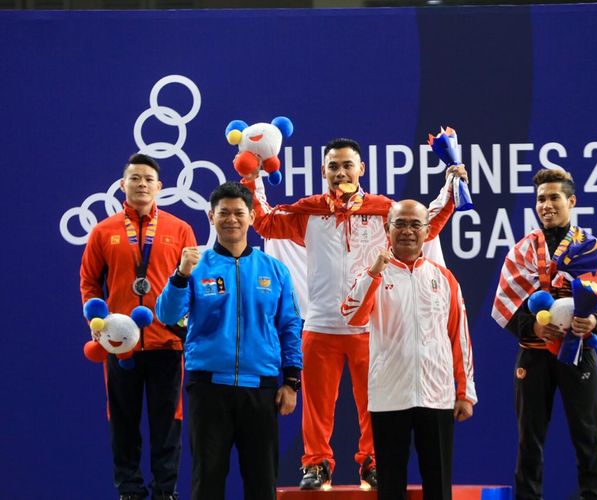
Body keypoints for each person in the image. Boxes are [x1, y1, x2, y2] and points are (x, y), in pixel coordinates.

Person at [243, 138, 466, 490]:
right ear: (323, 172)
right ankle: (316, 464)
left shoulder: (383, 211)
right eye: (333, 167)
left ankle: (372, 462)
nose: (340, 172)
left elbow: (426, 224)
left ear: (361, 169)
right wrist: (252, 177)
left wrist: (451, 186)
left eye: (347, 165)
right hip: (320, 322)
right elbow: (265, 222)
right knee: (316, 403)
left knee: (372, 402)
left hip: (369, 325)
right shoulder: (310, 213)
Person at [155, 182, 302, 500]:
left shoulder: (273, 270)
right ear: (211, 216)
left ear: (251, 217)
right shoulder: (197, 266)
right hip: (208, 388)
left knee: (262, 482)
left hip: (260, 388)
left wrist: (291, 381)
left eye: (239, 213)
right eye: (224, 213)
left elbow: (289, 326)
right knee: (207, 480)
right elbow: (167, 314)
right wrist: (180, 275)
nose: (231, 219)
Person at [491, 169, 597, 500]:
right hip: (533, 354)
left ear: (571, 201)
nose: (546, 205)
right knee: (529, 442)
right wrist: (533, 326)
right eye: (540, 199)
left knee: (587, 438)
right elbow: (506, 308)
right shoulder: (522, 251)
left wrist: (594, 322)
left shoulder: (593, 249)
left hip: (578, 353)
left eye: (554, 198)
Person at [341, 200, 477, 500]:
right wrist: (374, 272)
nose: (407, 231)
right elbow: (351, 316)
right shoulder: (373, 275)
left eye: (415, 224)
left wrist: (465, 393)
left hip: (437, 396)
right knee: (390, 487)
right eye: (400, 224)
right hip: (389, 397)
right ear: (387, 229)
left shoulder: (445, 279)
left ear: (427, 231)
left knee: (439, 486)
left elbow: (460, 337)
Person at [80, 153, 197, 500]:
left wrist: (186, 326)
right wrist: (95, 320)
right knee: (123, 421)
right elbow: (89, 283)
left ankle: (165, 491)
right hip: (120, 343)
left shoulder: (180, 229)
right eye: (135, 178)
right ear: (122, 185)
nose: (142, 184)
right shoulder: (104, 231)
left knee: (168, 422)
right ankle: (129, 491)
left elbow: (192, 285)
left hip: (167, 343)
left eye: (148, 179)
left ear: (160, 187)